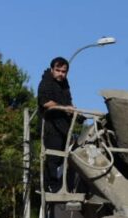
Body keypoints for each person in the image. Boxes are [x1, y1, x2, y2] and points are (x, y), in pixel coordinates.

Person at [36, 56, 75, 192]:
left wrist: (73, 111)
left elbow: (68, 101)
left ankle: (61, 185)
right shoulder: (46, 82)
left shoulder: (64, 84)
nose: (60, 74)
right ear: (52, 69)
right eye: (58, 70)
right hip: (51, 127)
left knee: (64, 159)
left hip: (64, 127)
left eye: (63, 71)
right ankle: (51, 186)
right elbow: (45, 102)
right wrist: (64, 108)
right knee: (53, 158)